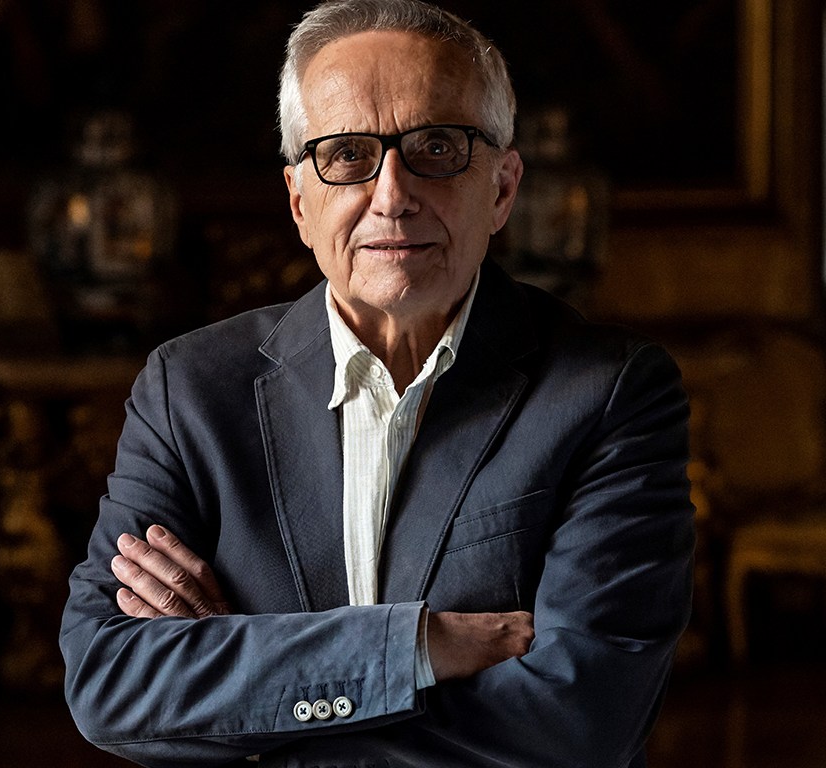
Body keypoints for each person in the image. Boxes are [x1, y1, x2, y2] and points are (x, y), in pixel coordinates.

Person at [60, 1, 695, 766]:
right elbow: (110, 683)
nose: (392, 195)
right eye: (348, 154)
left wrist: (251, 694)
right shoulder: (189, 390)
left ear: (502, 189)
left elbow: (579, 723)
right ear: (300, 200)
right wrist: (413, 646)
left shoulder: (611, 392)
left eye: (437, 147)